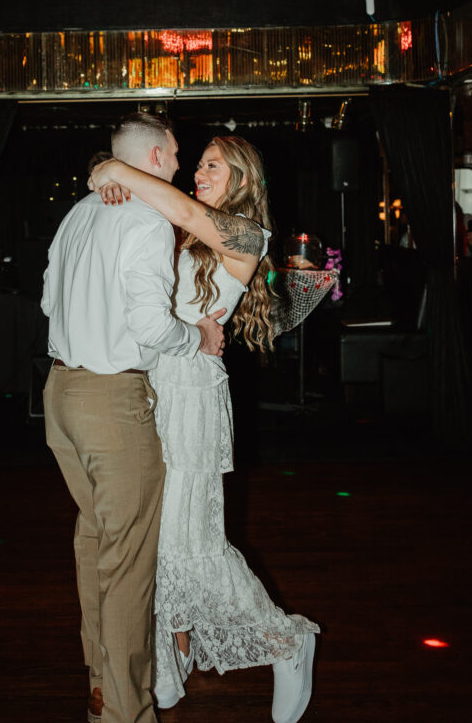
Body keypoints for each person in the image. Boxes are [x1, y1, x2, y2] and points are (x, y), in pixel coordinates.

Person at [90, 135, 320, 723]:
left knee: (190, 539)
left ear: (242, 178)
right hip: (150, 384)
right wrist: (107, 175)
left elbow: (185, 209)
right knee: (158, 533)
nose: (197, 173)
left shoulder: (249, 237)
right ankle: (173, 655)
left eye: (211, 165)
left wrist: (113, 167)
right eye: (197, 165)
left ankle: (286, 642)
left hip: (191, 392)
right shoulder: (182, 233)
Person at [41, 113, 226, 723]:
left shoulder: (77, 214)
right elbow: (150, 326)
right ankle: (125, 713)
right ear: (150, 156)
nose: (179, 165)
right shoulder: (146, 220)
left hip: (60, 395)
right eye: (174, 154)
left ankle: (101, 690)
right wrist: (194, 338)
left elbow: (48, 299)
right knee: (126, 569)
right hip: (110, 404)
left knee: (94, 547)